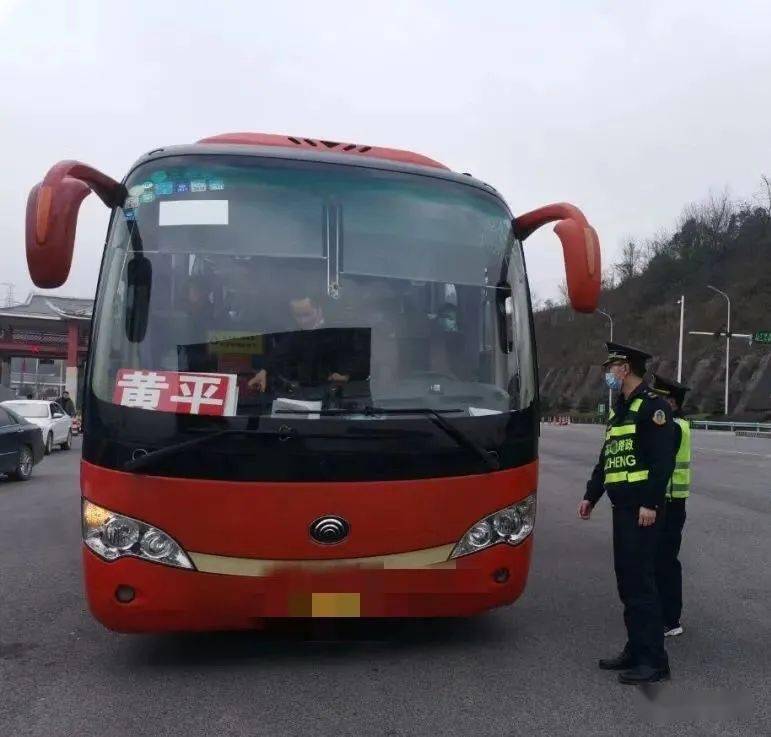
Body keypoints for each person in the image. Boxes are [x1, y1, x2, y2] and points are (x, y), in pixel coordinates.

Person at [578, 342, 676, 685]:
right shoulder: (619, 410)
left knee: (641, 584)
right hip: (623, 509)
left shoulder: (654, 408)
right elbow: (609, 457)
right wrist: (592, 494)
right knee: (628, 583)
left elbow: (663, 461)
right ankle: (636, 649)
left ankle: (654, 661)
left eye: (612, 366)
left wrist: (651, 502)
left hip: (642, 510)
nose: (608, 372)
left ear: (626, 368)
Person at [248, 293, 369, 393]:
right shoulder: (297, 334)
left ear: (319, 310)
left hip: (344, 395)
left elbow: (363, 356)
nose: (303, 321)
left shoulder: (342, 329)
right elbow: (281, 352)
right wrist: (264, 370)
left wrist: (347, 375)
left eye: (307, 315)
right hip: (309, 394)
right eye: (298, 316)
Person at [651, 373, 692, 638]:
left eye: (661, 398)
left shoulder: (674, 427)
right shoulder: (677, 424)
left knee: (665, 561)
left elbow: (663, 463)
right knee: (660, 560)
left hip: (670, 503)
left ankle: (671, 619)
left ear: (673, 403)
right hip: (670, 502)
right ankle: (664, 613)